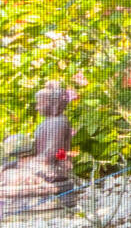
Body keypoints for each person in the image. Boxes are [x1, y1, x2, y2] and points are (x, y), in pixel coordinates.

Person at [0, 82, 79, 216]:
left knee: (11, 176)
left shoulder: (59, 122)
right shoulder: (44, 124)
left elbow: (52, 154)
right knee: (5, 171)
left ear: (52, 103)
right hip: (38, 165)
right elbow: (34, 153)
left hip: (53, 168)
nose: (37, 107)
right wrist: (12, 164)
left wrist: (24, 163)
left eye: (40, 103)